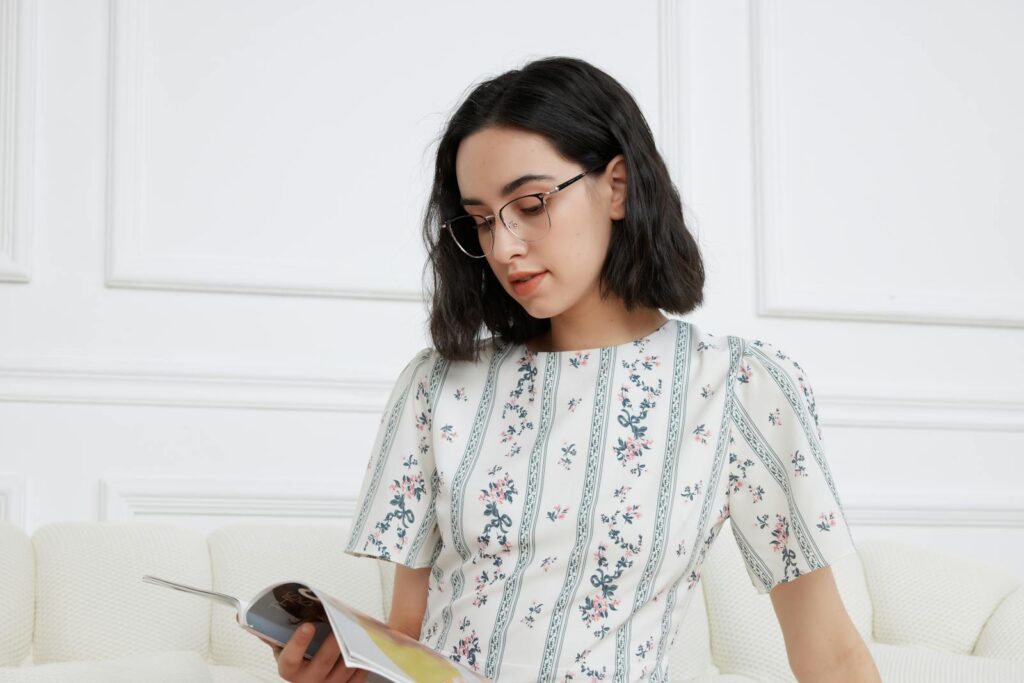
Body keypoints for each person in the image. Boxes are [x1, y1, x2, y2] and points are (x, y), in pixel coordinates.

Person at [272, 56, 880, 682]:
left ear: (616, 186)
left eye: (531, 204)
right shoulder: (438, 385)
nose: (504, 247)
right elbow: (405, 643)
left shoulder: (737, 387)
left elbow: (829, 651)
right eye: (482, 220)